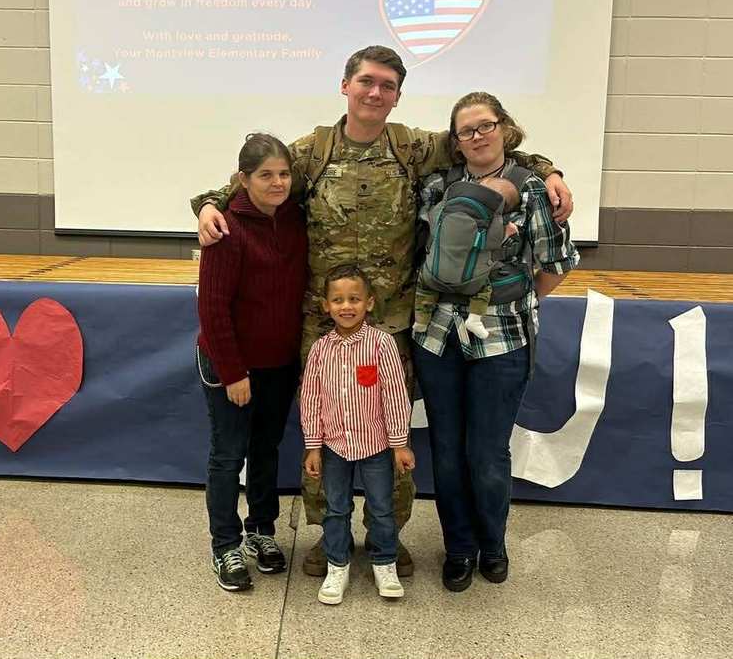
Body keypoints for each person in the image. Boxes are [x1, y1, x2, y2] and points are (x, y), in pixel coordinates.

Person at [191, 45, 575, 578]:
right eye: (367, 81)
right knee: (324, 430)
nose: (376, 92)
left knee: (388, 428)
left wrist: (547, 170)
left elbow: (485, 146)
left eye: (388, 85)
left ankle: (384, 537)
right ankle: (331, 540)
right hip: (320, 325)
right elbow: (250, 181)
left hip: (390, 322)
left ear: (397, 96)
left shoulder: (414, 148)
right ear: (345, 86)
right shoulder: (311, 153)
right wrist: (208, 204)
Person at [411, 92, 580, 593]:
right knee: (446, 448)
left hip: (504, 339)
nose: (477, 136)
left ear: (504, 127)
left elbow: (555, 263)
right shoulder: (436, 187)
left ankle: (493, 544)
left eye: (485, 125)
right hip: (437, 334)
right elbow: (419, 252)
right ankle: (458, 547)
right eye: (466, 131)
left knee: (487, 451)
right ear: (455, 142)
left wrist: (518, 300)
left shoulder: (532, 190)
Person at [196, 133, 307, 592]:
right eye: (266, 175)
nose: (277, 182)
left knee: (266, 450)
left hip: (279, 364)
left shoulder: (296, 219)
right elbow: (213, 308)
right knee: (229, 455)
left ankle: (261, 530)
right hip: (232, 365)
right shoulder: (226, 228)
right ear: (244, 179)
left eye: (283, 174)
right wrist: (233, 372)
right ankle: (225, 545)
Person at [299, 264, 415, 604]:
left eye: (354, 299)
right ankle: (337, 564)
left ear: (369, 302)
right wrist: (313, 447)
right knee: (336, 508)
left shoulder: (382, 345)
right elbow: (311, 399)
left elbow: (395, 394)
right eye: (337, 300)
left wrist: (399, 444)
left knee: (381, 507)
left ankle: (384, 562)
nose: (346, 306)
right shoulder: (321, 350)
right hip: (334, 447)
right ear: (325, 305)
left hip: (377, 446)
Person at [412, 176, 521, 339]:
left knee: (424, 286)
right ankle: (475, 319)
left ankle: (421, 319)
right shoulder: (496, 220)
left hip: (433, 273)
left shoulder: (449, 205)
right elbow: (493, 243)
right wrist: (507, 233)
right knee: (484, 290)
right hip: (472, 281)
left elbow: (431, 222)